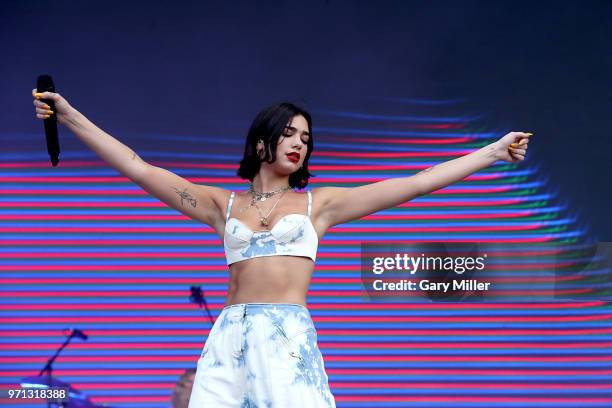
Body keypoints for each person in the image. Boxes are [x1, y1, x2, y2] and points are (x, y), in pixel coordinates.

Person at [32, 89, 531, 407]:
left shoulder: (321, 205)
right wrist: (71, 116)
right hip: (230, 337)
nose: (299, 143)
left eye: (306, 139)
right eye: (288, 133)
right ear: (260, 143)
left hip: (288, 337)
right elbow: (139, 166)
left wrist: (491, 151)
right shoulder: (219, 204)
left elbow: (417, 183)